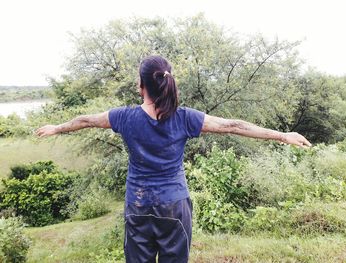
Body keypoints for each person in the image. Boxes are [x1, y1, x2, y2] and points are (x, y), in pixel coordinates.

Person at [35, 55, 311, 263]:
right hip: (174, 206)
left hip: (139, 204)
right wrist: (282, 135)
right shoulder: (185, 118)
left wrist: (57, 127)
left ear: (140, 84)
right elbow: (233, 126)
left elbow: (87, 120)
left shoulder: (123, 117)